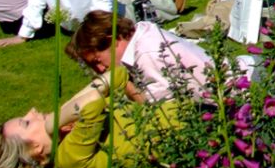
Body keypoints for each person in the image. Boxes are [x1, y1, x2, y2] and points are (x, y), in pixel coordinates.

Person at [0, 66, 178, 168]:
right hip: (182, 135)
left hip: (183, 113)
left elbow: (117, 75)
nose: (32, 111)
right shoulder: (69, 158)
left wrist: (147, 107)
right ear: (35, 149)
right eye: (27, 122)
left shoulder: (72, 123)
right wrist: (53, 121)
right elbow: (93, 102)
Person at [68, 11, 211, 102]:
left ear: (113, 40)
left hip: (215, 105)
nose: (99, 69)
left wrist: (124, 84)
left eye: (97, 62)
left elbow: (159, 110)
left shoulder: (146, 55)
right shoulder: (141, 33)